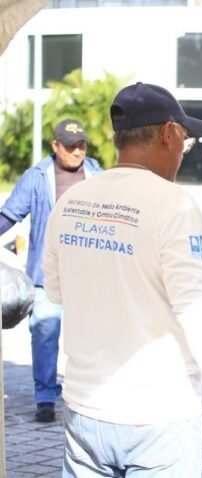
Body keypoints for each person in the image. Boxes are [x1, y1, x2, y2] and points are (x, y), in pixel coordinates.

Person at [42, 82, 202, 476]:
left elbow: (56, 290)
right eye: (186, 141)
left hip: (85, 409)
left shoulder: (71, 202)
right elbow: (195, 310)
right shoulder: (174, 204)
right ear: (170, 133)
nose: (183, 152)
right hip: (159, 415)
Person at [0, 118, 102, 423]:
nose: (76, 152)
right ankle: (45, 397)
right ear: (55, 146)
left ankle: (89, 394)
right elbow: (9, 214)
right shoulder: (37, 177)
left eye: (81, 145)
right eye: (69, 146)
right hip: (48, 275)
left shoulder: (98, 175)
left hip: (90, 276)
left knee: (92, 337)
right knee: (44, 332)